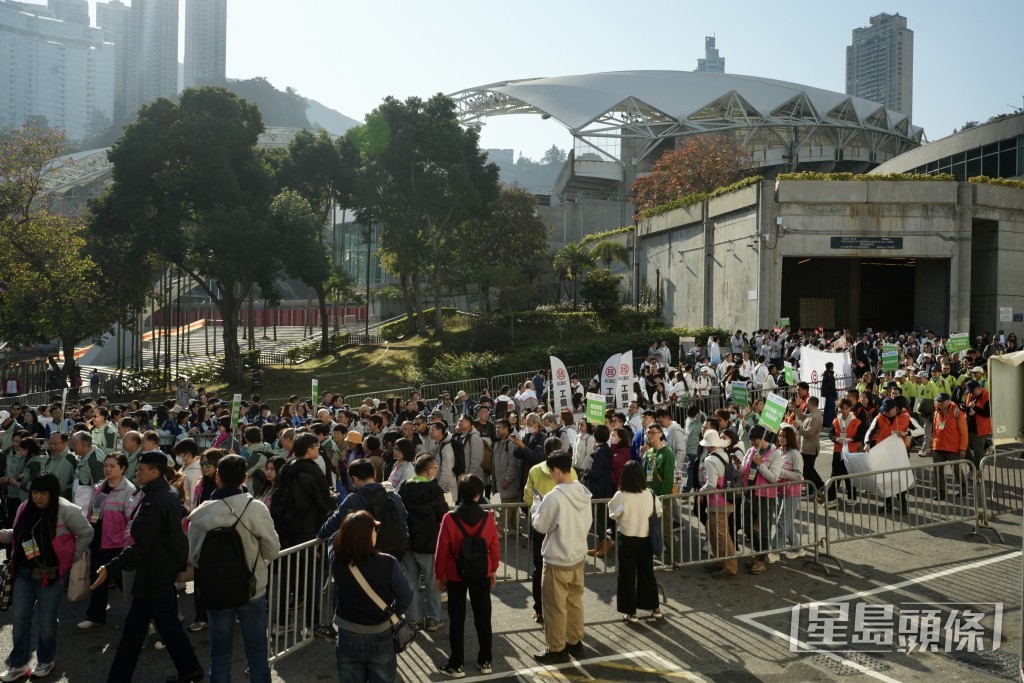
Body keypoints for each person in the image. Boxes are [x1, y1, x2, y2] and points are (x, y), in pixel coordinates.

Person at [91, 451, 204, 683]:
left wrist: (110, 567)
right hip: (159, 571)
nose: (137, 472)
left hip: (155, 573)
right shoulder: (166, 492)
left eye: (142, 469)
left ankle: (188, 670)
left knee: (144, 630)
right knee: (155, 627)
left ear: (155, 472)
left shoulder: (156, 499)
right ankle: (190, 670)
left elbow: (142, 544)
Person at [187, 454, 281, 683]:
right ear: (245, 478)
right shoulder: (255, 508)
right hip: (252, 588)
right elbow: (272, 550)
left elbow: (195, 557)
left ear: (217, 477)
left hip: (215, 590)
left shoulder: (201, 514)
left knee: (219, 656)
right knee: (258, 654)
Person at [0, 474, 93, 681]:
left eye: (43, 494)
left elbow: (87, 533)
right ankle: (18, 664)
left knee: (47, 621)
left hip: (50, 576)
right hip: (23, 572)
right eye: (35, 493)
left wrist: (70, 558)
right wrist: (3, 534)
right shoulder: (24, 507)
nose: (38, 498)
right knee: (20, 619)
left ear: (53, 493)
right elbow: (17, 534)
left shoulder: (68, 510)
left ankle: (46, 660)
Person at [330, 510, 412, 683]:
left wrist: (348, 529)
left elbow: (332, 540)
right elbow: (406, 595)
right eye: (374, 530)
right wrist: (394, 612)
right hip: (380, 632)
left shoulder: (337, 562)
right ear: (367, 535)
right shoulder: (388, 563)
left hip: (347, 634)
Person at [434, 474, 500, 678]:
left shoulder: (449, 518)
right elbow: (494, 548)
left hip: (455, 573)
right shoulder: (488, 517)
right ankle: (485, 660)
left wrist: (439, 575)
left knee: (457, 619)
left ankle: (457, 663)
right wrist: (493, 569)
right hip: (481, 572)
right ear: (479, 495)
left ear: (459, 494)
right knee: (483, 617)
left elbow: (442, 549)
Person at [530, 450, 592, 663]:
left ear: (556, 470)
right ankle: (575, 641)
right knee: (574, 601)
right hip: (577, 555)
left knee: (555, 606)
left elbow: (540, 525)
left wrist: (536, 505)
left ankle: (557, 648)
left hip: (557, 558)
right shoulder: (582, 491)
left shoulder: (554, 496)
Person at [78, 454, 137, 630]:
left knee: (125, 584)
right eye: (106, 465)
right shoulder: (100, 487)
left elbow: (131, 520)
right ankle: (95, 616)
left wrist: (126, 542)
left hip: (118, 544)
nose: (107, 469)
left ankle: (139, 617)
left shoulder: (129, 490)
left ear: (123, 468)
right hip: (98, 541)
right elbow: (91, 513)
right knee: (97, 581)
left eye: (112, 466)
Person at [398, 454, 449, 632]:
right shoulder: (434, 489)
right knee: (433, 583)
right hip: (429, 543)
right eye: (435, 468)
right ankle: (433, 619)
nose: (436, 470)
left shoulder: (404, 486)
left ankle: (412, 619)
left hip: (408, 542)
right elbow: (443, 515)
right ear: (428, 470)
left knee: (410, 583)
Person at [609, 461, 662, 623]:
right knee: (647, 573)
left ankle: (631, 612)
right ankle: (655, 608)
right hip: (646, 538)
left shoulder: (621, 495)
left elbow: (614, 514)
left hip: (627, 538)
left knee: (627, 575)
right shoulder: (650, 493)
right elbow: (658, 511)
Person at [774, 426, 805, 559]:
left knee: (782, 522)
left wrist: (780, 472)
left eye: (784, 436)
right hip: (780, 491)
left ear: (790, 438)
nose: (781, 439)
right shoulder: (777, 451)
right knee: (787, 522)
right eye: (780, 435)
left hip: (792, 492)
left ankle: (774, 551)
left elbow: (799, 475)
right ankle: (798, 549)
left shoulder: (795, 454)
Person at [931, 393, 968, 500]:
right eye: (938, 401)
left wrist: (962, 448)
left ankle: (963, 490)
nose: (940, 403)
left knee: (957, 470)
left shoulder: (957, 413)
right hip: (938, 447)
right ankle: (941, 493)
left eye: (942, 401)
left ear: (948, 401)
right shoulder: (936, 413)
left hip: (953, 448)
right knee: (937, 471)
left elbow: (964, 433)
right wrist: (932, 445)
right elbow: (934, 430)